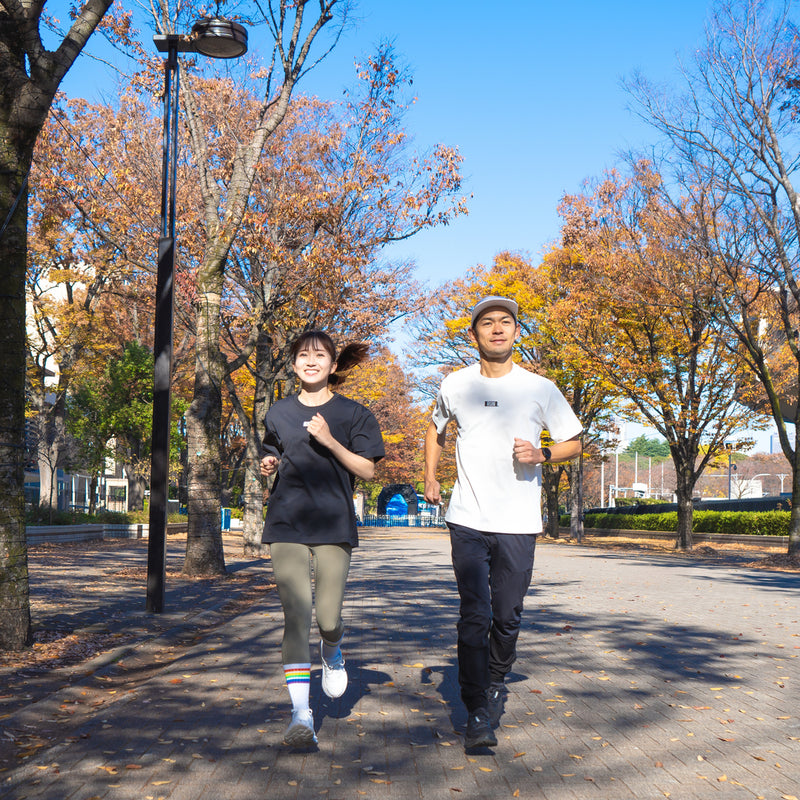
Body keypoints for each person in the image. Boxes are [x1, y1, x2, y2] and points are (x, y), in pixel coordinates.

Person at [423, 296, 582, 749]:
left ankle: (495, 680)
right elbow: (435, 428)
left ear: (516, 333)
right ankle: (476, 708)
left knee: (507, 615)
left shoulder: (540, 387)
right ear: (474, 335)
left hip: (518, 520)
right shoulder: (455, 383)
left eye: (505, 322)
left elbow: (574, 440)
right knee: (475, 614)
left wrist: (543, 453)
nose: (497, 329)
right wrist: (431, 475)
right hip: (468, 518)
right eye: (487, 323)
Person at [260, 331, 385, 748]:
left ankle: (332, 651)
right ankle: (300, 715)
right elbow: (273, 446)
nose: (310, 361)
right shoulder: (277, 412)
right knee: (297, 613)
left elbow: (367, 471)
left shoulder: (355, 414)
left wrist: (330, 440)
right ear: (293, 364)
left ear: (333, 365)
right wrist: (268, 461)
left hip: (333, 523)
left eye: (319, 356)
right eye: (302, 356)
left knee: (327, 617)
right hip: (287, 522)